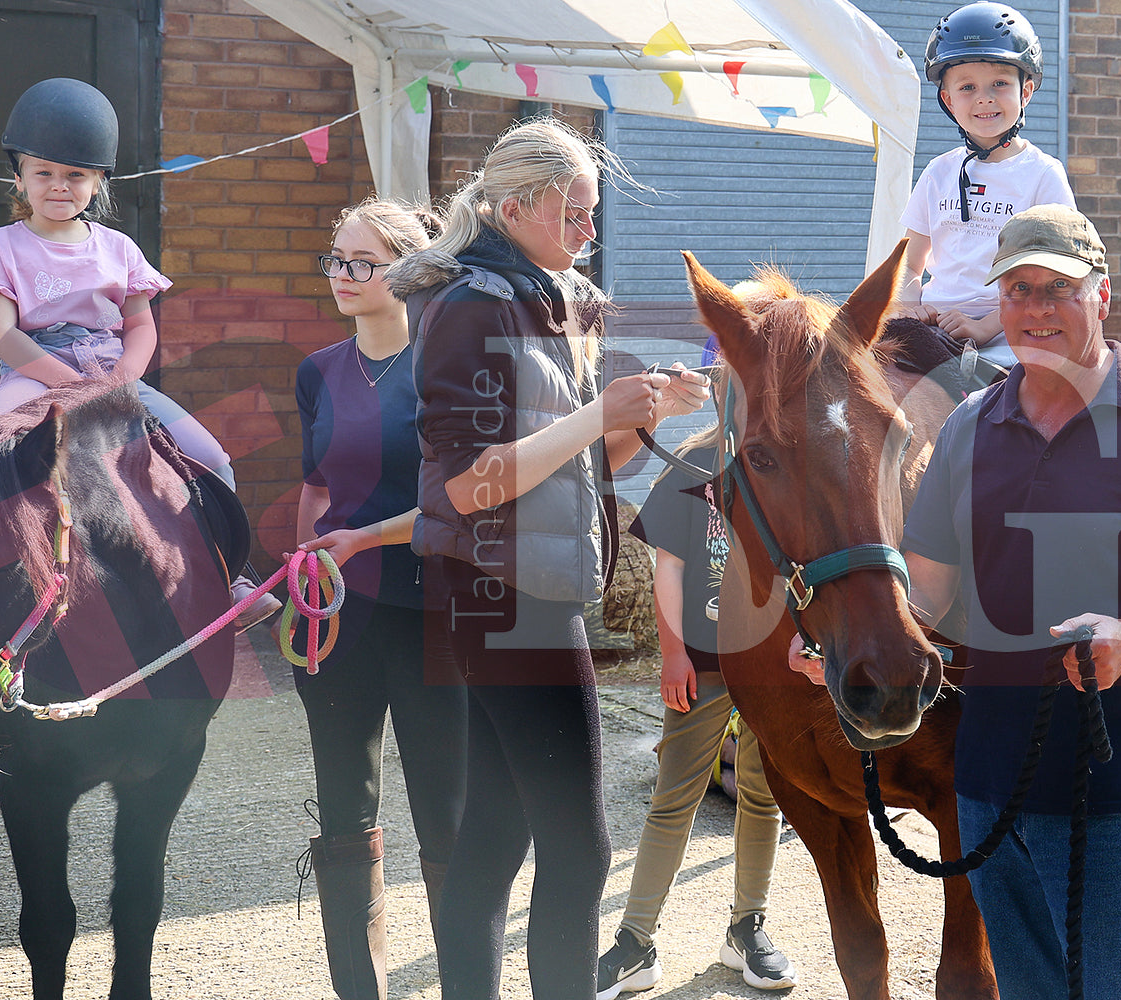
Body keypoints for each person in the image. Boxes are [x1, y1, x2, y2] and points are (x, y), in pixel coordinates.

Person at [793, 205, 1121, 999]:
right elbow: (931, 587)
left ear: (1103, 295)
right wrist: (843, 640)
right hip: (991, 790)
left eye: (1060, 288)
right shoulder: (970, 428)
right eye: (1019, 290)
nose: (1037, 308)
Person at [387, 117, 710, 999]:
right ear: (516, 205)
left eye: (592, 213)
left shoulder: (544, 296)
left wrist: (644, 418)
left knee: (497, 830)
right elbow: (458, 488)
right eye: (575, 212)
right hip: (502, 593)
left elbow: (575, 465)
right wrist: (596, 414)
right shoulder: (470, 307)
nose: (590, 232)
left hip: (522, 585)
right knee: (580, 843)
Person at [0, 77, 279, 630]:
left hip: (112, 371)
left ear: (98, 181)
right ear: (19, 175)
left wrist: (122, 379)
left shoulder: (119, 249)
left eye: (75, 175)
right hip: (35, 372)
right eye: (43, 172)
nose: (58, 186)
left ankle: (226, 573)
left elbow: (140, 325)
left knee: (211, 457)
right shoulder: (0, 246)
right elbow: (2, 335)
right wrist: (69, 385)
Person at [289, 199, 463, 999]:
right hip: (339, 620)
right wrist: (300, 575)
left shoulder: (446, 368)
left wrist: (362, 541)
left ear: (409, 273)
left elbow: (460, 499)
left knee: (445, 808)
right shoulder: (317, 371)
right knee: (343, 804)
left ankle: (469, 978)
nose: (344, 276)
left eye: (364, 262)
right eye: (337, 258)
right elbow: (317, 485)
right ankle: (359, 989)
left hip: (435, 615)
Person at [597, 408, 796, 1000]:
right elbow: (670, 567)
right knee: (673, 797)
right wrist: (674, 653)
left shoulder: (794, 459)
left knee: (763, 796)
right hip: (703, 663)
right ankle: (635, 944)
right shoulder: (691, 466)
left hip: (774, 663)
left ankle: (747, 928)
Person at [899, 2, 1076, 369]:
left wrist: (983, 328)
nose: (984, 97)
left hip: (1014, 335)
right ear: (948, 99)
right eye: (967, 87)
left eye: (999, 83)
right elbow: (909, 265)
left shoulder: (1043, 175)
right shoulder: (937, 173)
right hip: (936, 329)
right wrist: (908, 308)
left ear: (1025, 92)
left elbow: (1057, 275)